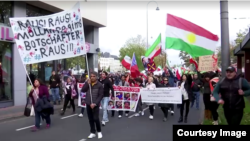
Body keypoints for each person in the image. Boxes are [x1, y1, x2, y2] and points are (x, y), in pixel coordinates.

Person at [81, 71, 103, 139]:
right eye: (91, 76)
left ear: (96, 77)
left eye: (94, 76)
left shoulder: (99, 85)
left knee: (96, 118)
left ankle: (99, 131)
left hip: (95, 104)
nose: (92, 77)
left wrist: (95, 103)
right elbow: (83, 90)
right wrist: (87, 84)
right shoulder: (88, 83)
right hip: (88, 103)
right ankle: (92, 132)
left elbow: (100, 95)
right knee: (90, 119)